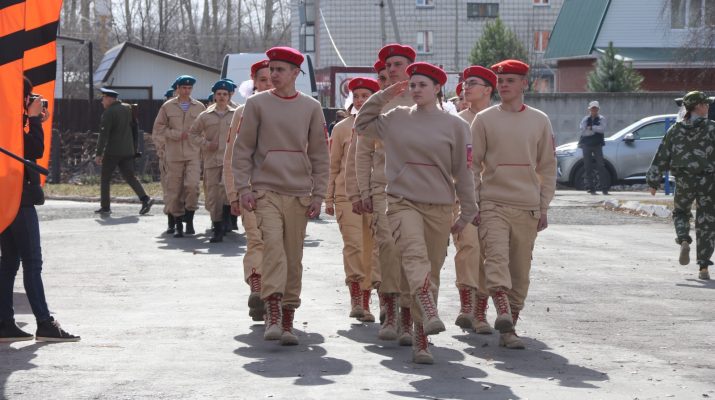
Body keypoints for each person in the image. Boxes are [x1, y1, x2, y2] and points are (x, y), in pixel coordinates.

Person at [355, 62, 478, 364]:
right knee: (413, 255)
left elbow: (464, 172)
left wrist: (468, 210)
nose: (416, 89)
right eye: (413, 84)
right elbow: (362, 124)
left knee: (431, 268)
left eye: (423, 84)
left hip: (439, 206)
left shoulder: (456, 126)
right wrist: (383, 95)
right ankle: (425, 301)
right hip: (402, 201)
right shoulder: (396, 117)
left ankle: (421, 340)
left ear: (437, 88)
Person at [233, 47, 329, 345]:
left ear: (295, 73)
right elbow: (242, 149)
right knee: (272, 247)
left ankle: (288, 316)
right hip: (266, 190)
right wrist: (243, 188)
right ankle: (272, 312)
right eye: (271, 69)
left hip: (299, 193)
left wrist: (319, 194)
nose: (273, 74)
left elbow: (320, 154)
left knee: (293, 256)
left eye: (280, 70)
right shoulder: (257, 104)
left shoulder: (311, 107)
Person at [470, 59, 557, 350]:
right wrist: (474, 201)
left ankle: (509, 330)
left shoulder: (540, 120)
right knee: (495, 260)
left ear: (524, 84)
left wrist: (543, 206)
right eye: (501, 80)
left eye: (510, 80)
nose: (504, 85)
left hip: (527, 206)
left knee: (520, 273)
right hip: (492, 203)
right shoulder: (484, 120)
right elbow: (472, 165)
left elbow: (547, 167)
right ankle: (502, 310)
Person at [0, 77, 80, 342]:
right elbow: (33, 148)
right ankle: (45, 323)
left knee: (9, 262)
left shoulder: (7, 119)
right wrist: (33, 120)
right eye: (29, 96)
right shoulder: (11, 122)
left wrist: (32, 120)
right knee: (32, 262)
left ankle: (4, 323)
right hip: (19, 199)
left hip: (6, 198)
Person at [354, 43, 417, 345]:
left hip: (419, 188)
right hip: (384, 186)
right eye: (388, 66)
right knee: (389, 247)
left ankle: (409, 315)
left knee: (412, 252)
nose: (392, 70)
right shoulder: (378, 104)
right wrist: (363, 190)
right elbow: (363, 152)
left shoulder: (424, 100)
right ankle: (390, 311)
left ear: (410, 67)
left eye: (397, 64)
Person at [325, 77, 380, 322]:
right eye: (356, 96)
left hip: (377, 194)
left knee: (374, 249)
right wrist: (328, 198)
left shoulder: (384, 125)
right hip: (346, 195)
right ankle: (356, 298)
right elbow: (333, 165)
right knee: (354, 246)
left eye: (365, 96)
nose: (360, 100)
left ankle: (369, 298)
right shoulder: (341, 128)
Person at [647, 91, 715, 281]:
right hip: (708, 182)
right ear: (697, 106)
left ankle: (684, 238)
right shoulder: (712, 128)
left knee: (681, 212)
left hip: (684, 180)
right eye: (705, 103)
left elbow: (662, 155)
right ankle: (703, 266)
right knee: (707, 221)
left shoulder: (675, 130)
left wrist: (653, 181)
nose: (708, 106)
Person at [224, 59, 273, 321]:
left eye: (272, 78)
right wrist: (234, 193)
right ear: (253, 82)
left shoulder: (295, 107)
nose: (268, 84)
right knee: (256, 239)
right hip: (251, 189)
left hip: (286, 188)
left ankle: (274, 297)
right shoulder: (242, 113)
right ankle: (257, 286)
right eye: (263, 80)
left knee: (280, 245)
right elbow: (232, 156)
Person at [453, 66, 496, 335]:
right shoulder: (455, 121)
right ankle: (466, 306)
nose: (466, 87)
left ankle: (481, 311)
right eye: (465, 83)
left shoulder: (499, 119)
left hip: (494, 198)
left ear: (488, 89)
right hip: (462, 197)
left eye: (472, 83)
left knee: (489, 254)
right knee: (468, 248)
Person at [152, 75, 206, 238]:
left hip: (193, 153)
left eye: (189, 88)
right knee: (174, 190)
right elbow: (159, 128)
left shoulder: (199, 107)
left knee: (192, 186)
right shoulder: (168, 107)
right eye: (183, 88)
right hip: (173, 154)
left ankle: (189, 219)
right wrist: (176, 134)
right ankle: (177, 224)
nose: (186, 91)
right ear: (177, 88)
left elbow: (205, 129)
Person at [94, 88, 154, 215]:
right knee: (130, 177)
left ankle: (105, 207)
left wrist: (99, 154)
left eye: (103, 98)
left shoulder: (109, 113)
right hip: (128, 150)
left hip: (113, 151)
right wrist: (134, 147)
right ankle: (145, 199)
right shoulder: (128, 108)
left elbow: (103, 135)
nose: (102, 101)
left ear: (109, 99)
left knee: (105, 178)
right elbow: (134, 128)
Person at [190, 80, 236, 243]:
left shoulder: (237, 114)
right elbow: (193, 134)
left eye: (225, 94)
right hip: (212, 161)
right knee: (214, 196)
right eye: (219, 94)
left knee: (227, 193)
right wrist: (206, 144)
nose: (222, 97)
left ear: (229, 96)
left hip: (230, 161)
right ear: (214, 96)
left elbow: (246, 134)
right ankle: (217, 228)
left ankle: (226, 222)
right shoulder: (205, 116)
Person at [578, 101, 609, 195]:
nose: (594, 110)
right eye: (592, 108)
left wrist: (591, 128)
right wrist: (594, 130)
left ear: (598, 109)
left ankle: (604, 188)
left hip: (597, 145)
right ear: (589, 109)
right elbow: (583, 131)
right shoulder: (585, 119)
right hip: (586, 145)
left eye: (595, 108)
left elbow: (602, 129)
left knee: (601, 166)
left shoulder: (602, 118)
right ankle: (591, 188)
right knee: (587, 167)